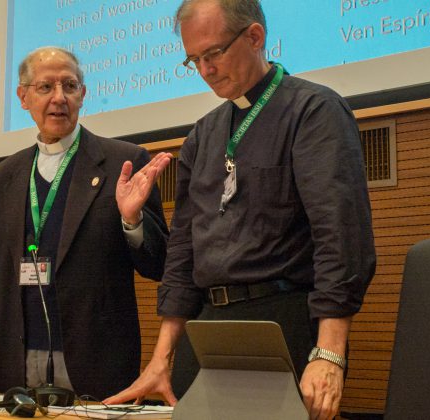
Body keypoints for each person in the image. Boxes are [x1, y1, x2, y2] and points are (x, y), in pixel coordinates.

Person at [104, 1, 376, 419]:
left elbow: (340, 237)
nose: (205, 70)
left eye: (213, 54)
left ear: (254, 37)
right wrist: (161, 359)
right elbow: (182, 253)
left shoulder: (313, 111)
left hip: (281, 322)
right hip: (206, 328)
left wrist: (329, 353)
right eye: (193, 60)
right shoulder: (202, 134)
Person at [0, 47, 171, 400]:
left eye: (69, 85)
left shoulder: (122, 163)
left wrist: (132, 219)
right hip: (16, 363)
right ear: (23, 97)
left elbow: (159, 265)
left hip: (97, 364)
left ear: (83, 94)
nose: (59, 98)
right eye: (45, 87)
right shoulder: (3, 177)